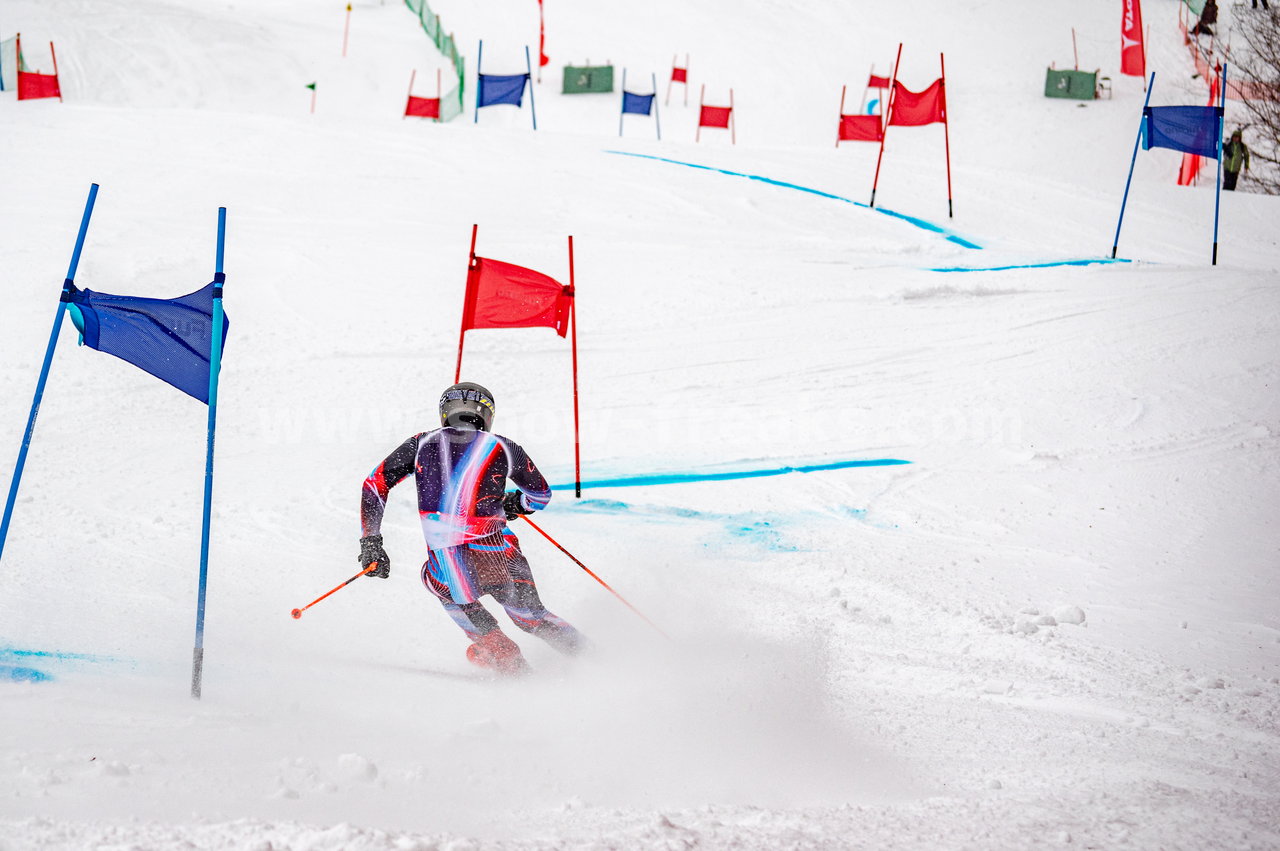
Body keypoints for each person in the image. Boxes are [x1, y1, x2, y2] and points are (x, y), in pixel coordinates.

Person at [357, 382, 585, 675]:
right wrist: (518, 504)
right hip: (501, 556)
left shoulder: (421, 444)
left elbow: (375, 483)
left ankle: (500, 651)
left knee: (437, 583)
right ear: (487, 416)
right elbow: (540, 495)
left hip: (449, 563)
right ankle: (597, 660)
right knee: (531, 617)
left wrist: (371, 541)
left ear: (445, 413)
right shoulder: (504, 446)